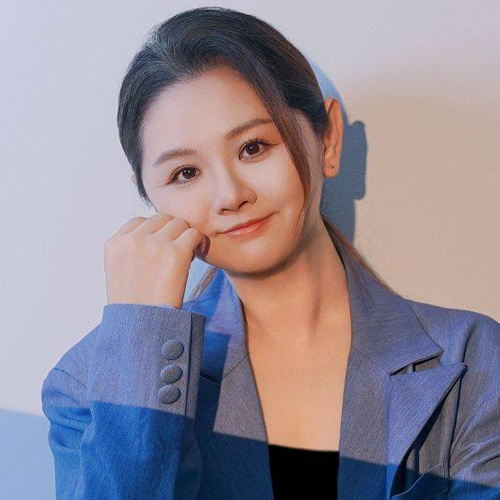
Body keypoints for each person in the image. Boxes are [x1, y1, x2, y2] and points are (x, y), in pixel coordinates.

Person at [41, 6, 500, 499]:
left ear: (328, 139)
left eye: (254, 147)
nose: (229, 195)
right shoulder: (85, 388)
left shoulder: (471, 356)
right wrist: (140, 330)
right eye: (185, 173)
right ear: (151, 197)